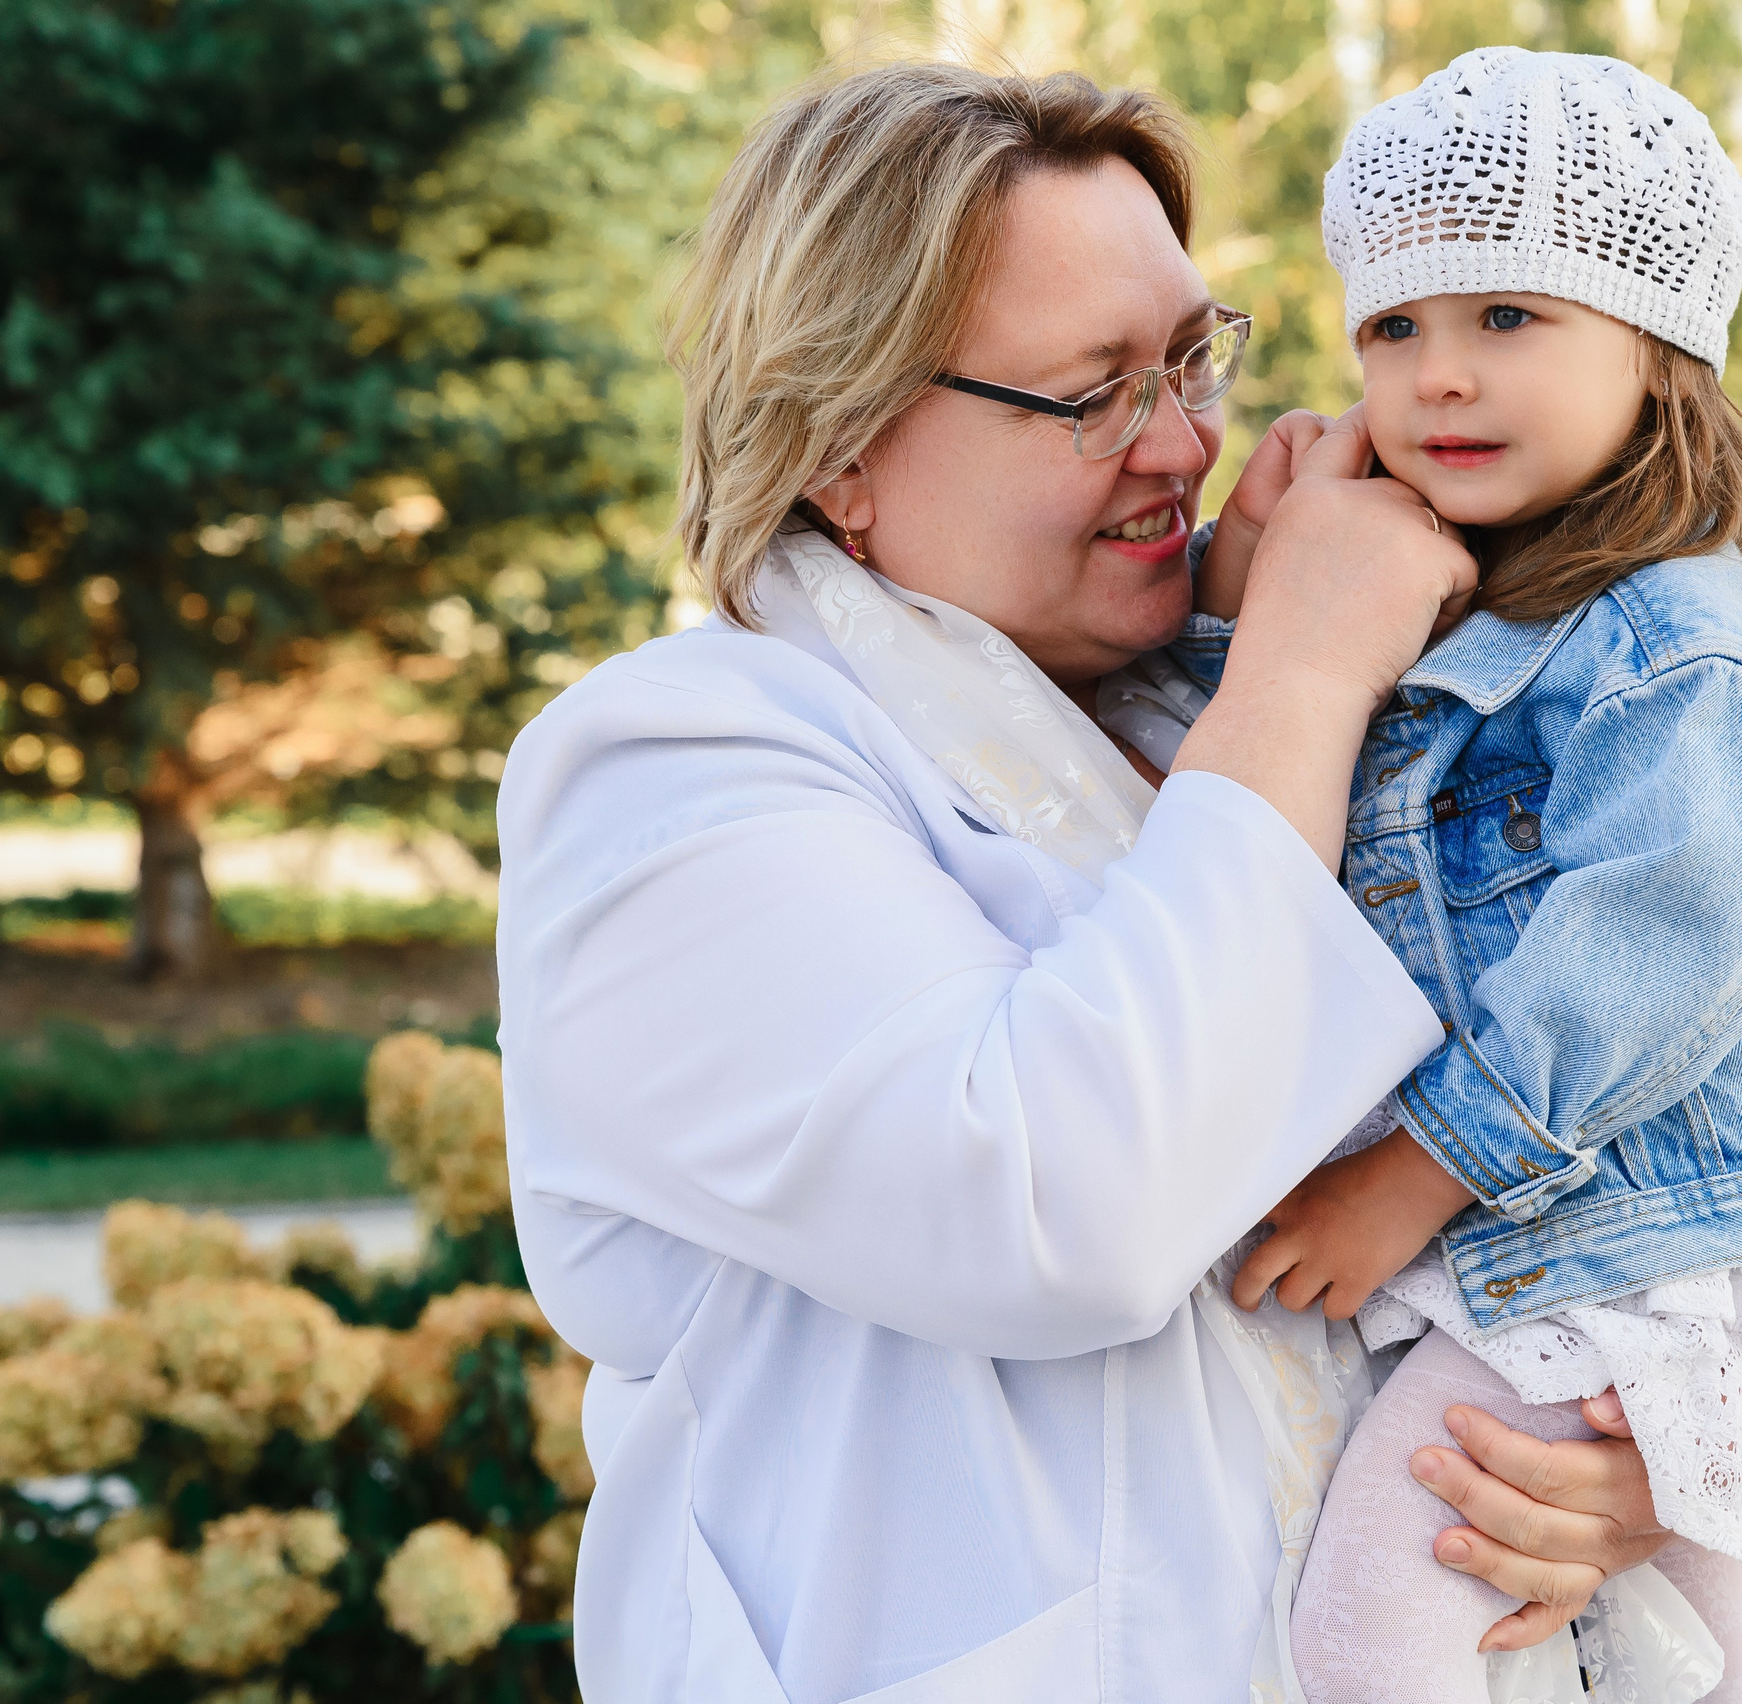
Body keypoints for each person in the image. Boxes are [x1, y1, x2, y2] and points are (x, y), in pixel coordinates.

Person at [495, 62, 1672, 1701]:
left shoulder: (1202, 726)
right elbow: (1061, 1212)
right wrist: (1303, 669)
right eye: (1094, 390)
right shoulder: (676, 766)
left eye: (1194, 360)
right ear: (839, 440)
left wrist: (1612, 1463)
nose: (1189, 443)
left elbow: (1650, 1096)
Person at [1188, 48, 1742, 1704]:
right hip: (1605, 1239)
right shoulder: (1498, 608)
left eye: (1508, 318)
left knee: (1382, 1629)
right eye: (1396, 327)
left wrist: (1417, 1175)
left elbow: (1659, 944)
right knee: (1703, 1656)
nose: (1438, 378)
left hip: (1629, 1247)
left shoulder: (1671, 650)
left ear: (1662, 356)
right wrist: (1261, 573)